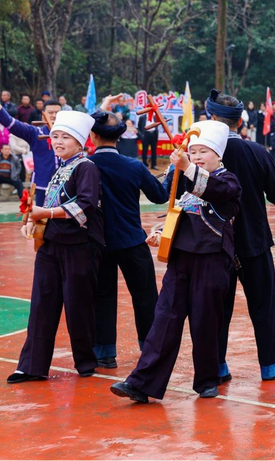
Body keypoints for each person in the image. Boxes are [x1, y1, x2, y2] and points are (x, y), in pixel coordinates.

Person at [110, 120, 241, 402]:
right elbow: (177, 213)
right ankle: (142, 383)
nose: (197, 156)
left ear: (218, 155)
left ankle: (207, 379)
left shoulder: (228, 181)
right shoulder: (184, 181)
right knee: (164, 320)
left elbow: (214, 192)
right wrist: (161, 234)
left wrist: (187, 168)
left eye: (204, 151)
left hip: (211, 259)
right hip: (180, 259)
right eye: (193, 152)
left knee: (205, 321)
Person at [8, 111, 103, 384]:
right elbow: (47, 205)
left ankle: (85, 362)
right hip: (51, 244)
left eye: (65, 137)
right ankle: (31, 366)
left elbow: (84, 206)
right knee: (41, 304)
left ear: (80, 141)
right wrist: (33, 221)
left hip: (78, 246)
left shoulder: (87, 167)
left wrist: (45, 215)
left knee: (78, 305)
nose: (58, 141)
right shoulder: (60, 168)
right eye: (56, 136)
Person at [205, 90, 275, 383]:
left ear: (212, 118)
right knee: (264, 306)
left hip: (214, 244)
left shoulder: (198, 155)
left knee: (216, 309)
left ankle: (216, 366)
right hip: (254, 241)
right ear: (239, 122)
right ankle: (272, 365)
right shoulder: (256, 152)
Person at [88, 107, 169, 369]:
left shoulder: (85, 165)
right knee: (145, 296)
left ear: (93, 136)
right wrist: (170, 176)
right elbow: (159, 196)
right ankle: (150, 348)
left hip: (98, 242)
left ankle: (104, 352)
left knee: (102, 296)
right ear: (119, 136)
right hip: (132, 240)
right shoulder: (133, 166)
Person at [0, 99, 62, 206]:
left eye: (58, 113)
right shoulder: (35, 133)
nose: (54, 116)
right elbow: (9, 122)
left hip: (66, 186)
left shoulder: (71, 135)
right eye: (50, 112)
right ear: (43, 115)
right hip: (43, 186)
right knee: (41, 220)